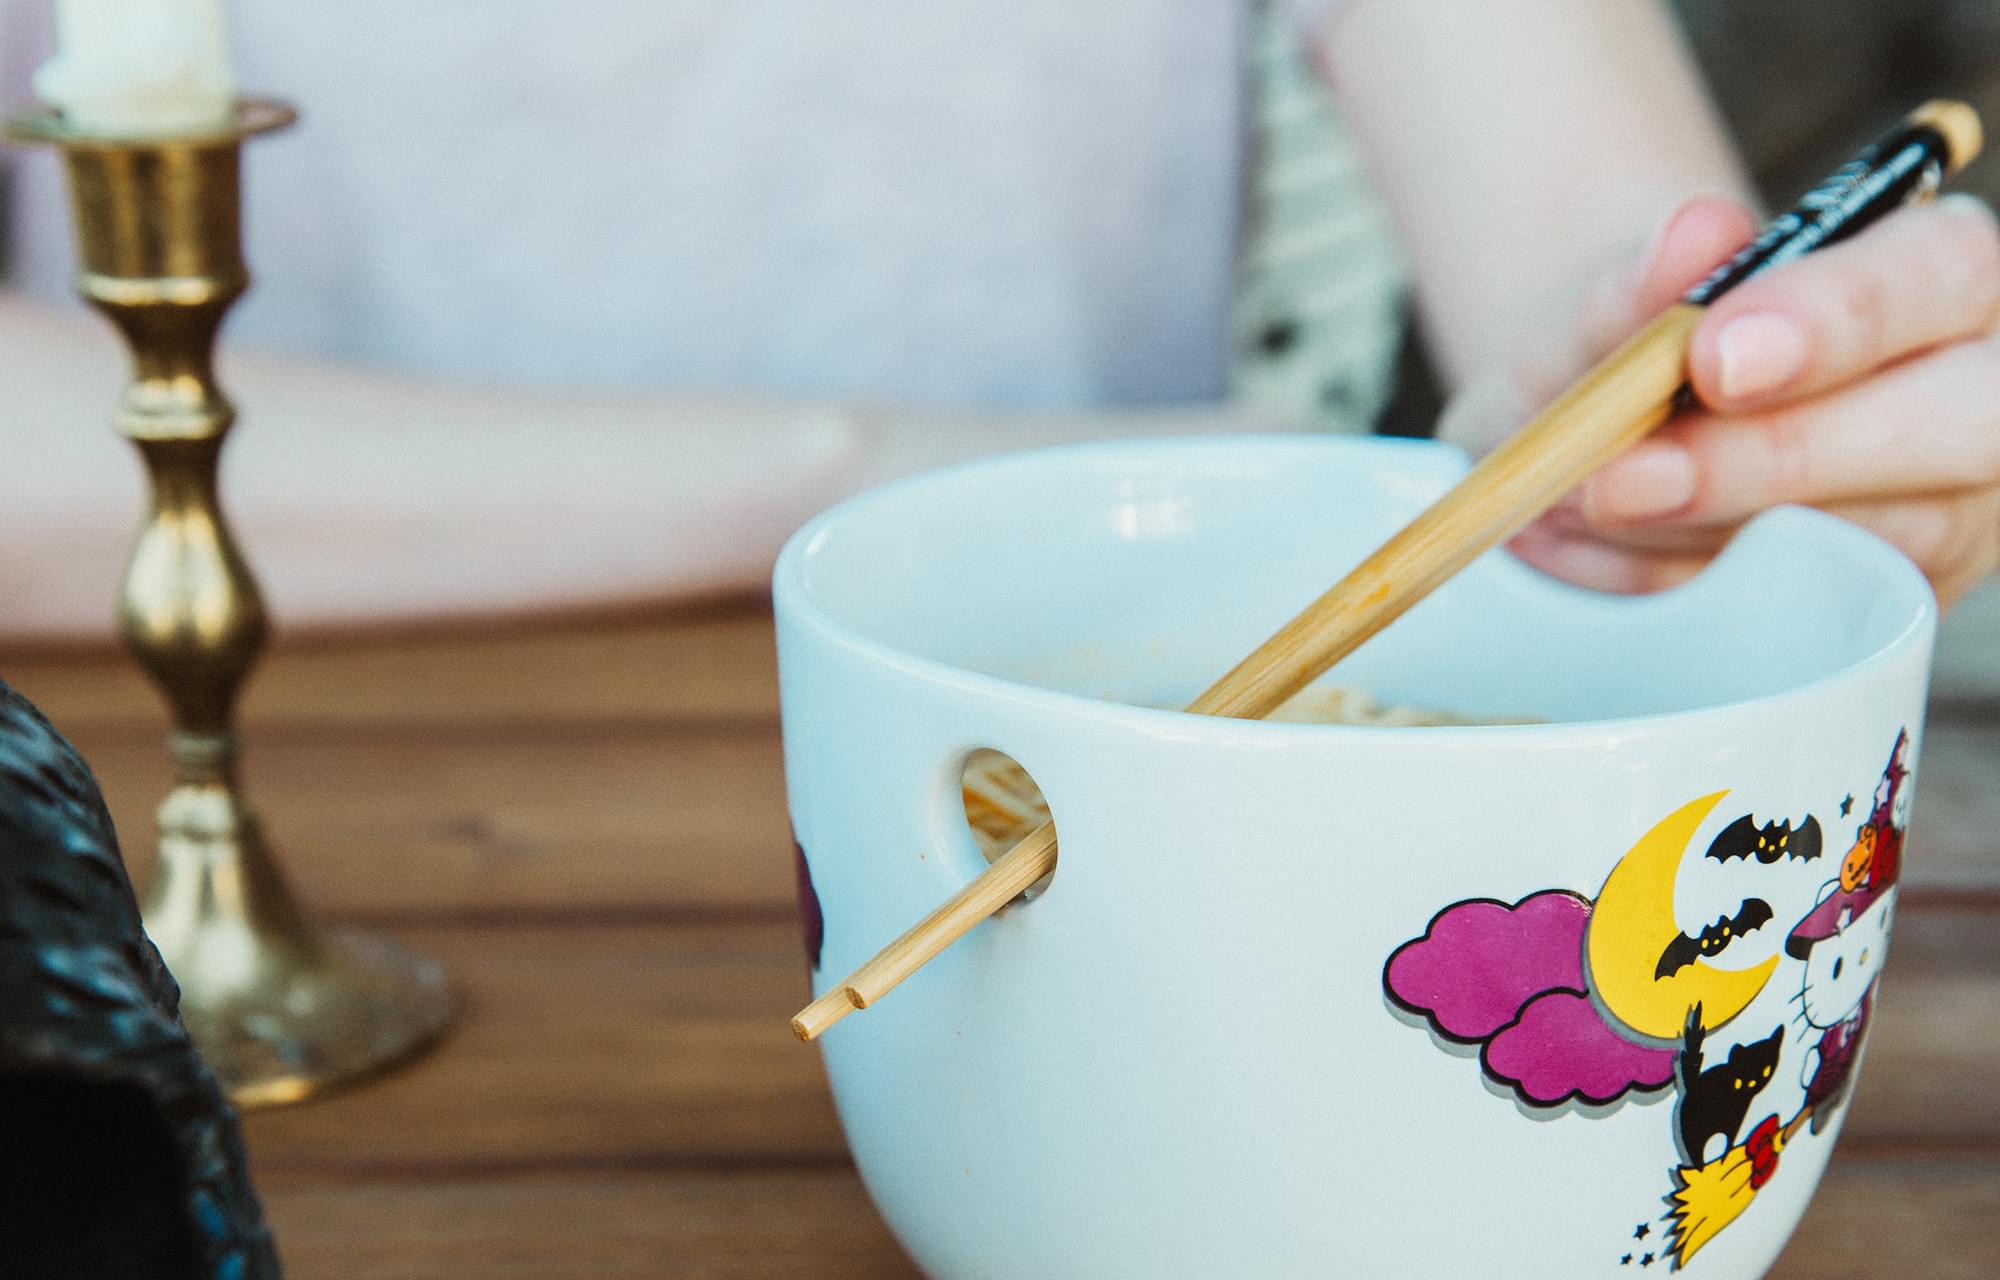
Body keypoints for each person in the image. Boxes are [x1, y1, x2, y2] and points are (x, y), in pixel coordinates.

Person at [0, 0, 1994, 641]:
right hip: (240, 840)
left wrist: (1707, 427)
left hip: (1098, 741)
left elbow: (1602, 262)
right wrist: (874, 487)